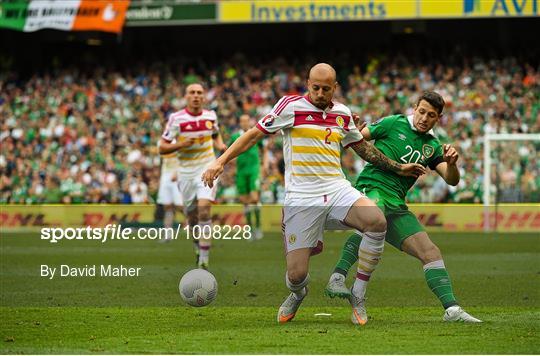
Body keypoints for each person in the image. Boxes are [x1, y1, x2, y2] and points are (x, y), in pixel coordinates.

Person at [202, 63, 425, 324]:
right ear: (308, 84)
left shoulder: (342, 113)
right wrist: (220, 161)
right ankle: (298, 294)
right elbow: (253, 135)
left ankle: (359, 294)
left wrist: (399, 167)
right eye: (315, 87)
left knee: (376, 221)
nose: (320, 93)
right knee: (296, 276)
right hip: (301, 197)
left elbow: (363, 149)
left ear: (335, 88)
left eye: (326, 89)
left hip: (336, 189)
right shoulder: (290, 106)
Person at [325, 91, 482, 323]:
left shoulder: (432, 146)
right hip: (372, 187)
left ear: (437, 118)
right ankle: (337, 276)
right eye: (421, 111)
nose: (424, 118)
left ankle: (452, 310)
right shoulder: (393, 123)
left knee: (431, 253)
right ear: (414, 107)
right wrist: (354, 130)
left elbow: (452, 180)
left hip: (397, 203)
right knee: (374, 216)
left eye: (431, 115)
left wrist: (452, 164)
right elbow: (357, 139)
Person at [159, 83, 227, 269]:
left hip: (207, 168)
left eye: (199, 93)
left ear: (204, 97)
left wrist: (221, 146)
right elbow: (162, 147)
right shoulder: (176, 118)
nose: (196, 96)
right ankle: (198, 247)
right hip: (186, 173)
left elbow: (215, 134)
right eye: (192, 93)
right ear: (186, 97)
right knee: (191, 216)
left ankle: (204, 260)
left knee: (204, 209)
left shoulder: (210, 116)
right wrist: (180, 144)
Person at [229, 114, 268, 240]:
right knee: (245, 201)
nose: (244, 123)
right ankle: (251, 229)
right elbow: (229, 151)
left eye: (246, 121)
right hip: (241, 171)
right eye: (242, 121)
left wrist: (264, 165)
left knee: (254, 198)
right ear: (239, 123)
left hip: (253, 170)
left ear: (249, 122)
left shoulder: (255, 133)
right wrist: (232, 164)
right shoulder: (235, 136)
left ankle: (257, 227)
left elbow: (264, 150)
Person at [156, 152, 183, 242]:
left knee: (180, 206)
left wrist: (178, 172)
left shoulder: (180, 140)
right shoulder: (163, 142)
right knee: (167, 206)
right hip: (165, 176)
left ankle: (199, 226)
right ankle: (168, 235)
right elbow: (162, 161)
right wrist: (161, 177)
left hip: (177, 175)